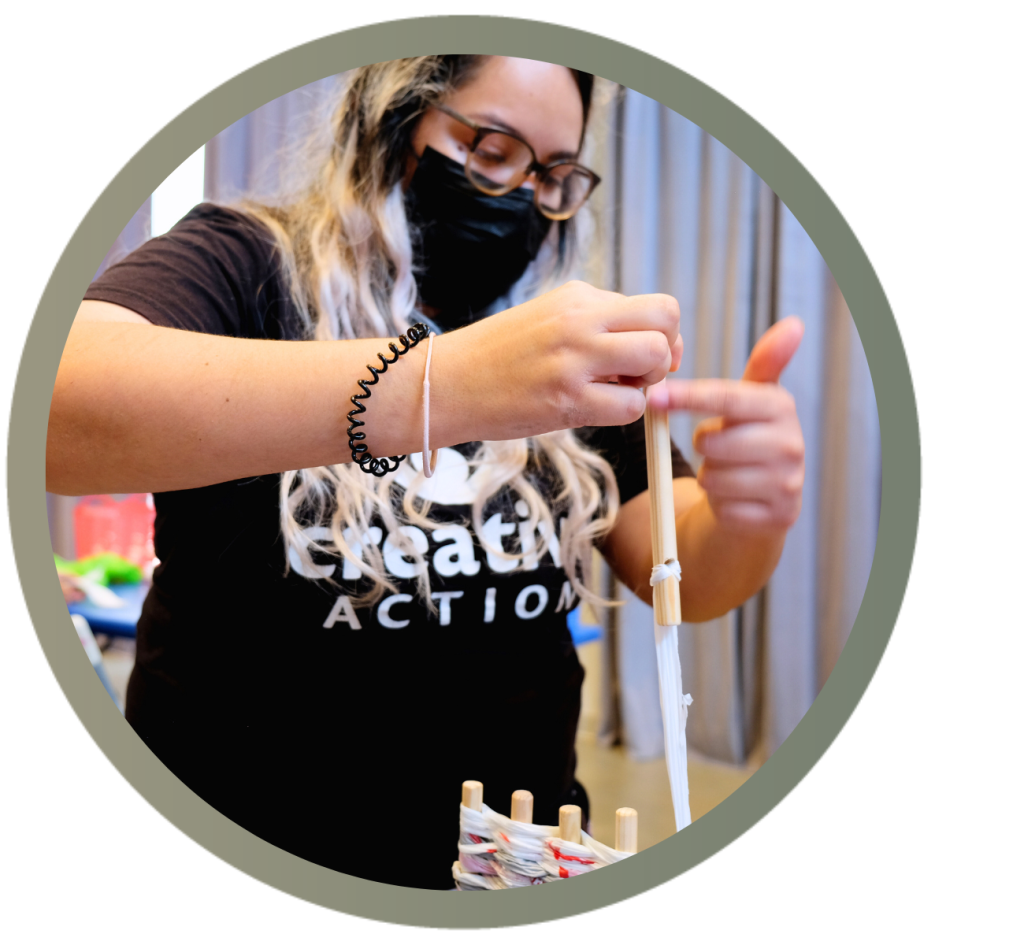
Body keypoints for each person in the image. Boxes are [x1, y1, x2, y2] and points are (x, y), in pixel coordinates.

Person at [47, 55, 805, 889]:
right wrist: (442, 384)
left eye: (553, 174)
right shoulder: (246, 263)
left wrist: (747, 510)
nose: (521, 195)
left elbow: (684, 577)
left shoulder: (558, 342)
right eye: (490, 149)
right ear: (391, 122)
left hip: (512, 865)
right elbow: (50, 403)